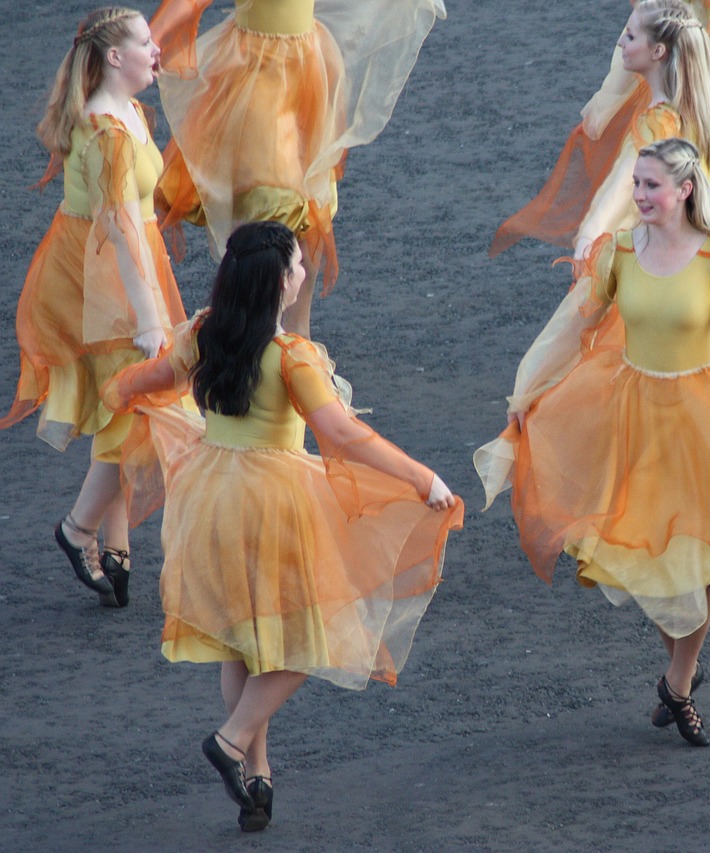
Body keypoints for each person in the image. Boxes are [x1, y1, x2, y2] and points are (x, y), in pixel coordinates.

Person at [101, 221, 463, 831]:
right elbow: (343, 434)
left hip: (209, 495)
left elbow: (154, 380)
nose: (302, 273)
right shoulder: (291, 356)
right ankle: (233, 739)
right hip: (273, 501)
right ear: (278, 286)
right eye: (295, 267)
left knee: (244, 634)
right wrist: (421, 477)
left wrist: (118, 389)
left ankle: (257, 772)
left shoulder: (204, 332)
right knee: (316, 633)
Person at [475, 138, 710, 747]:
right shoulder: (621, 251)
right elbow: (572, 324)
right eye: (636, 184)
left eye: (651, 185)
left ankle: (679, 681)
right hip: (635, 420)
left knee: (702, 550)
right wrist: (528, 390)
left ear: (685, 190)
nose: (639, 195)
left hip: (706, 422)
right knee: (650, 558)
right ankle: (681, 670)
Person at [0, 7, 186, 608]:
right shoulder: (108, 132)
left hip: (106, 269)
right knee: (137, 403)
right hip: (104, 279)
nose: (157, 50)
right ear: (113, 57)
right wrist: (150, 318)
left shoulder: (124, 111)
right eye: (145, 42)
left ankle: (116, 543)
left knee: (122, 403)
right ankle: (78, 528)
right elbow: (122, 230)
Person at [148, 0, 446, 335]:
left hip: (308, 72)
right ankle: (248, 334)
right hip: (257, 74)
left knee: (309, 217)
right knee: (269, 206)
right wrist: (152, 36)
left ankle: (296, 338)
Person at [489, 0, 710, 262]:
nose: (620, 41)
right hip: (695, 253)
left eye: (630, 36)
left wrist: (589, 235)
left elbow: (621, 186)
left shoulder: (657, 124)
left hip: (656, 257)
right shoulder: (698, 114)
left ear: (657, 51)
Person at [576, 0, 710, 260]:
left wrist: (590, 233)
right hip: (694, 95)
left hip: (681, 93)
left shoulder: (661, 119)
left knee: (648, 183)